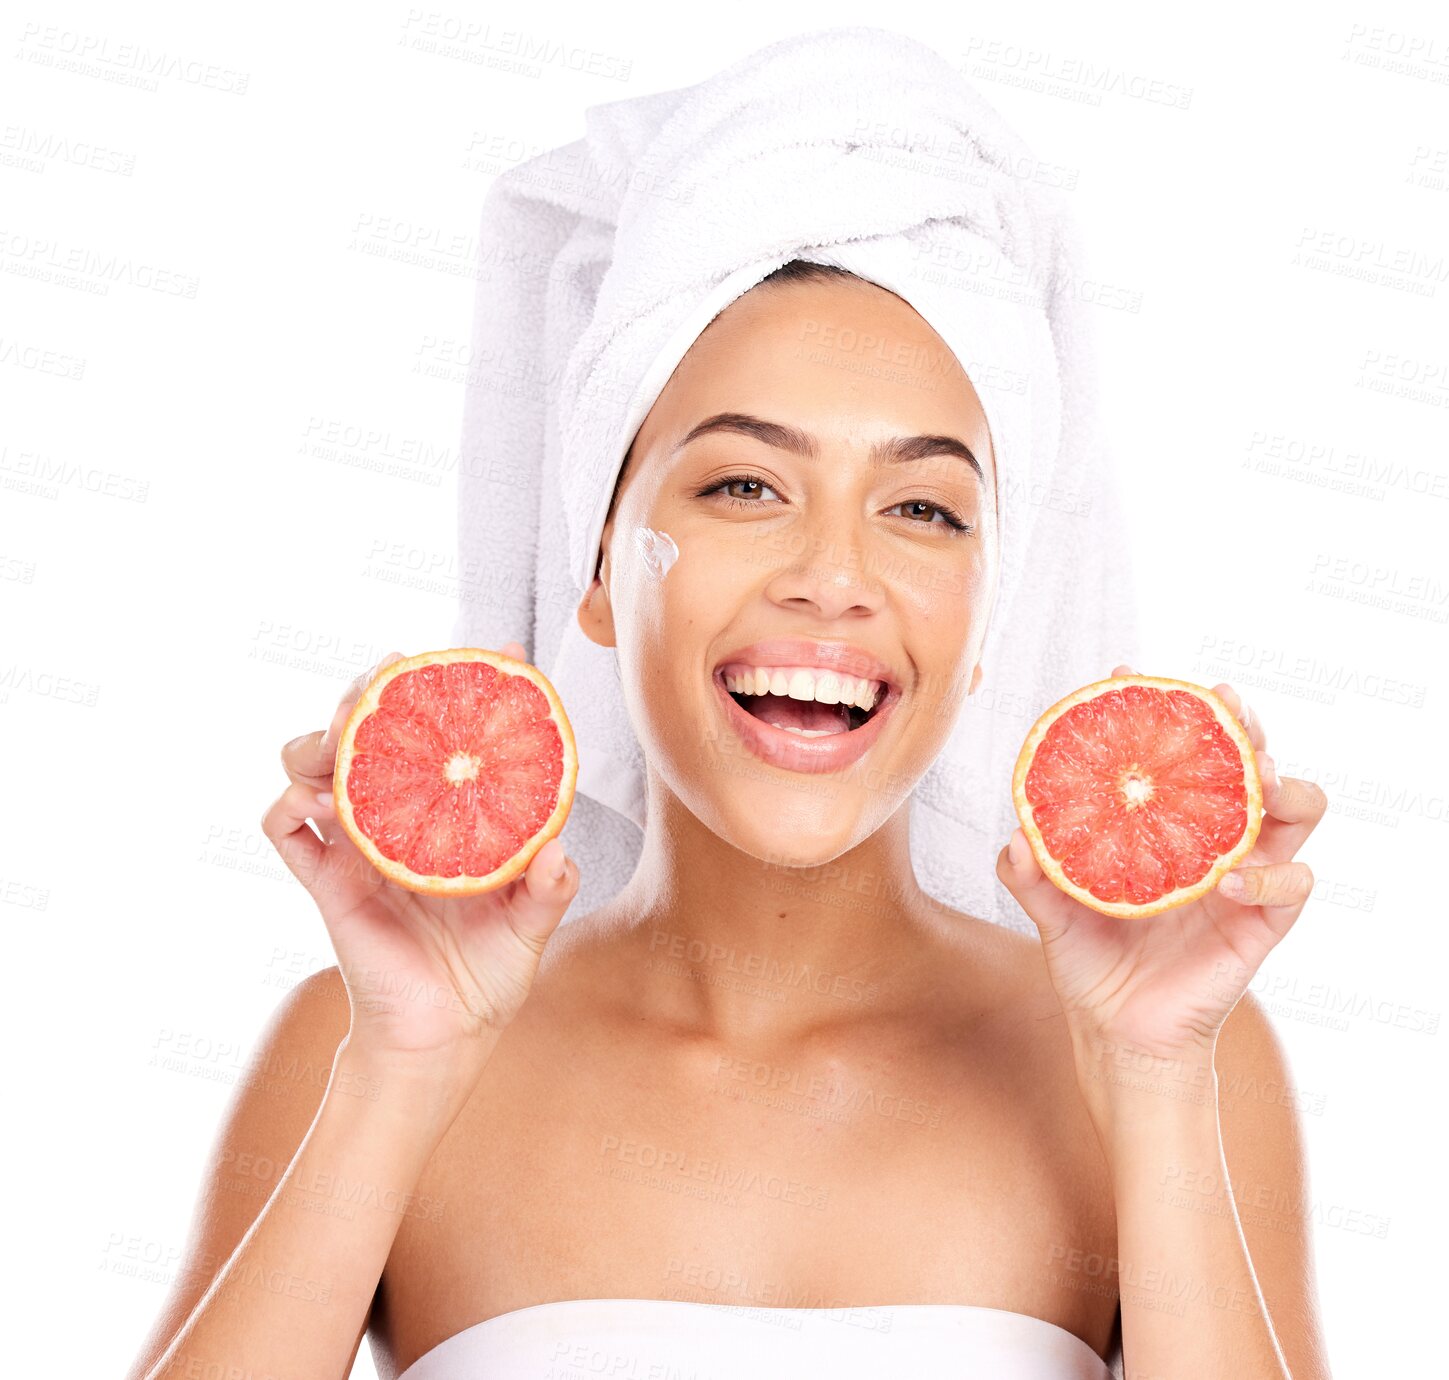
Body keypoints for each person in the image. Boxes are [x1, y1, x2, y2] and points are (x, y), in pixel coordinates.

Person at [125, 259, 1332, 1380]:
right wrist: (401, 1072)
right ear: (602, 563)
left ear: (985, 624)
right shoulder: (368, 1035)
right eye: (745, 485)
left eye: (923, 510)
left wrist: (1156, 1080)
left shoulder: (1174, 1057)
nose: (834, 575)